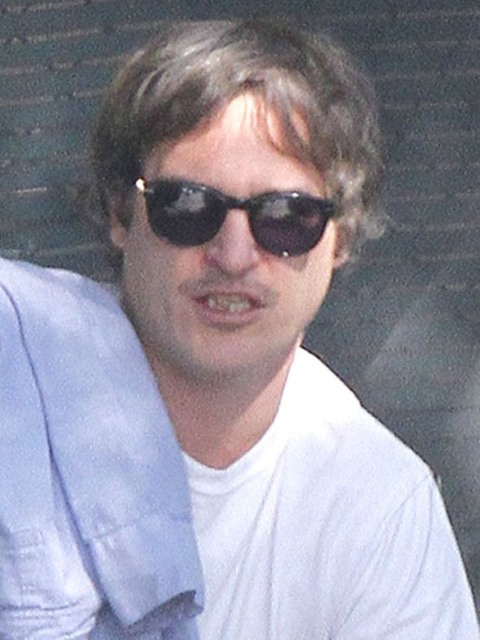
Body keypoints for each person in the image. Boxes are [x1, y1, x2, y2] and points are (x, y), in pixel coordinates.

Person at [1, 18, 478, 640]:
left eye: (286, 217)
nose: (233, 255)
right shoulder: (18, 395)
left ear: (341, 240)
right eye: (187, 206)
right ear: (121, 213)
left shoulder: (380, 507)